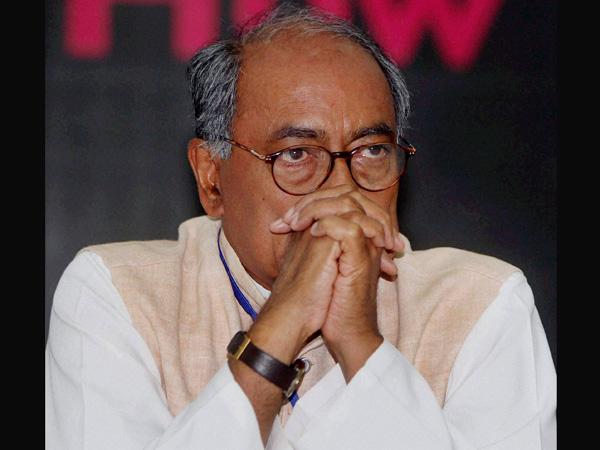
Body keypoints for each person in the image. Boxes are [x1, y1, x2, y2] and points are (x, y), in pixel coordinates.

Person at [45, 4, 556, 449]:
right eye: (295, 155)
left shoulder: (479, 304)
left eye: (372, 151)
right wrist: (284, 319)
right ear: (211, 178)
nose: (341, 193)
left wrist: (360, 344)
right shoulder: (120, 294)